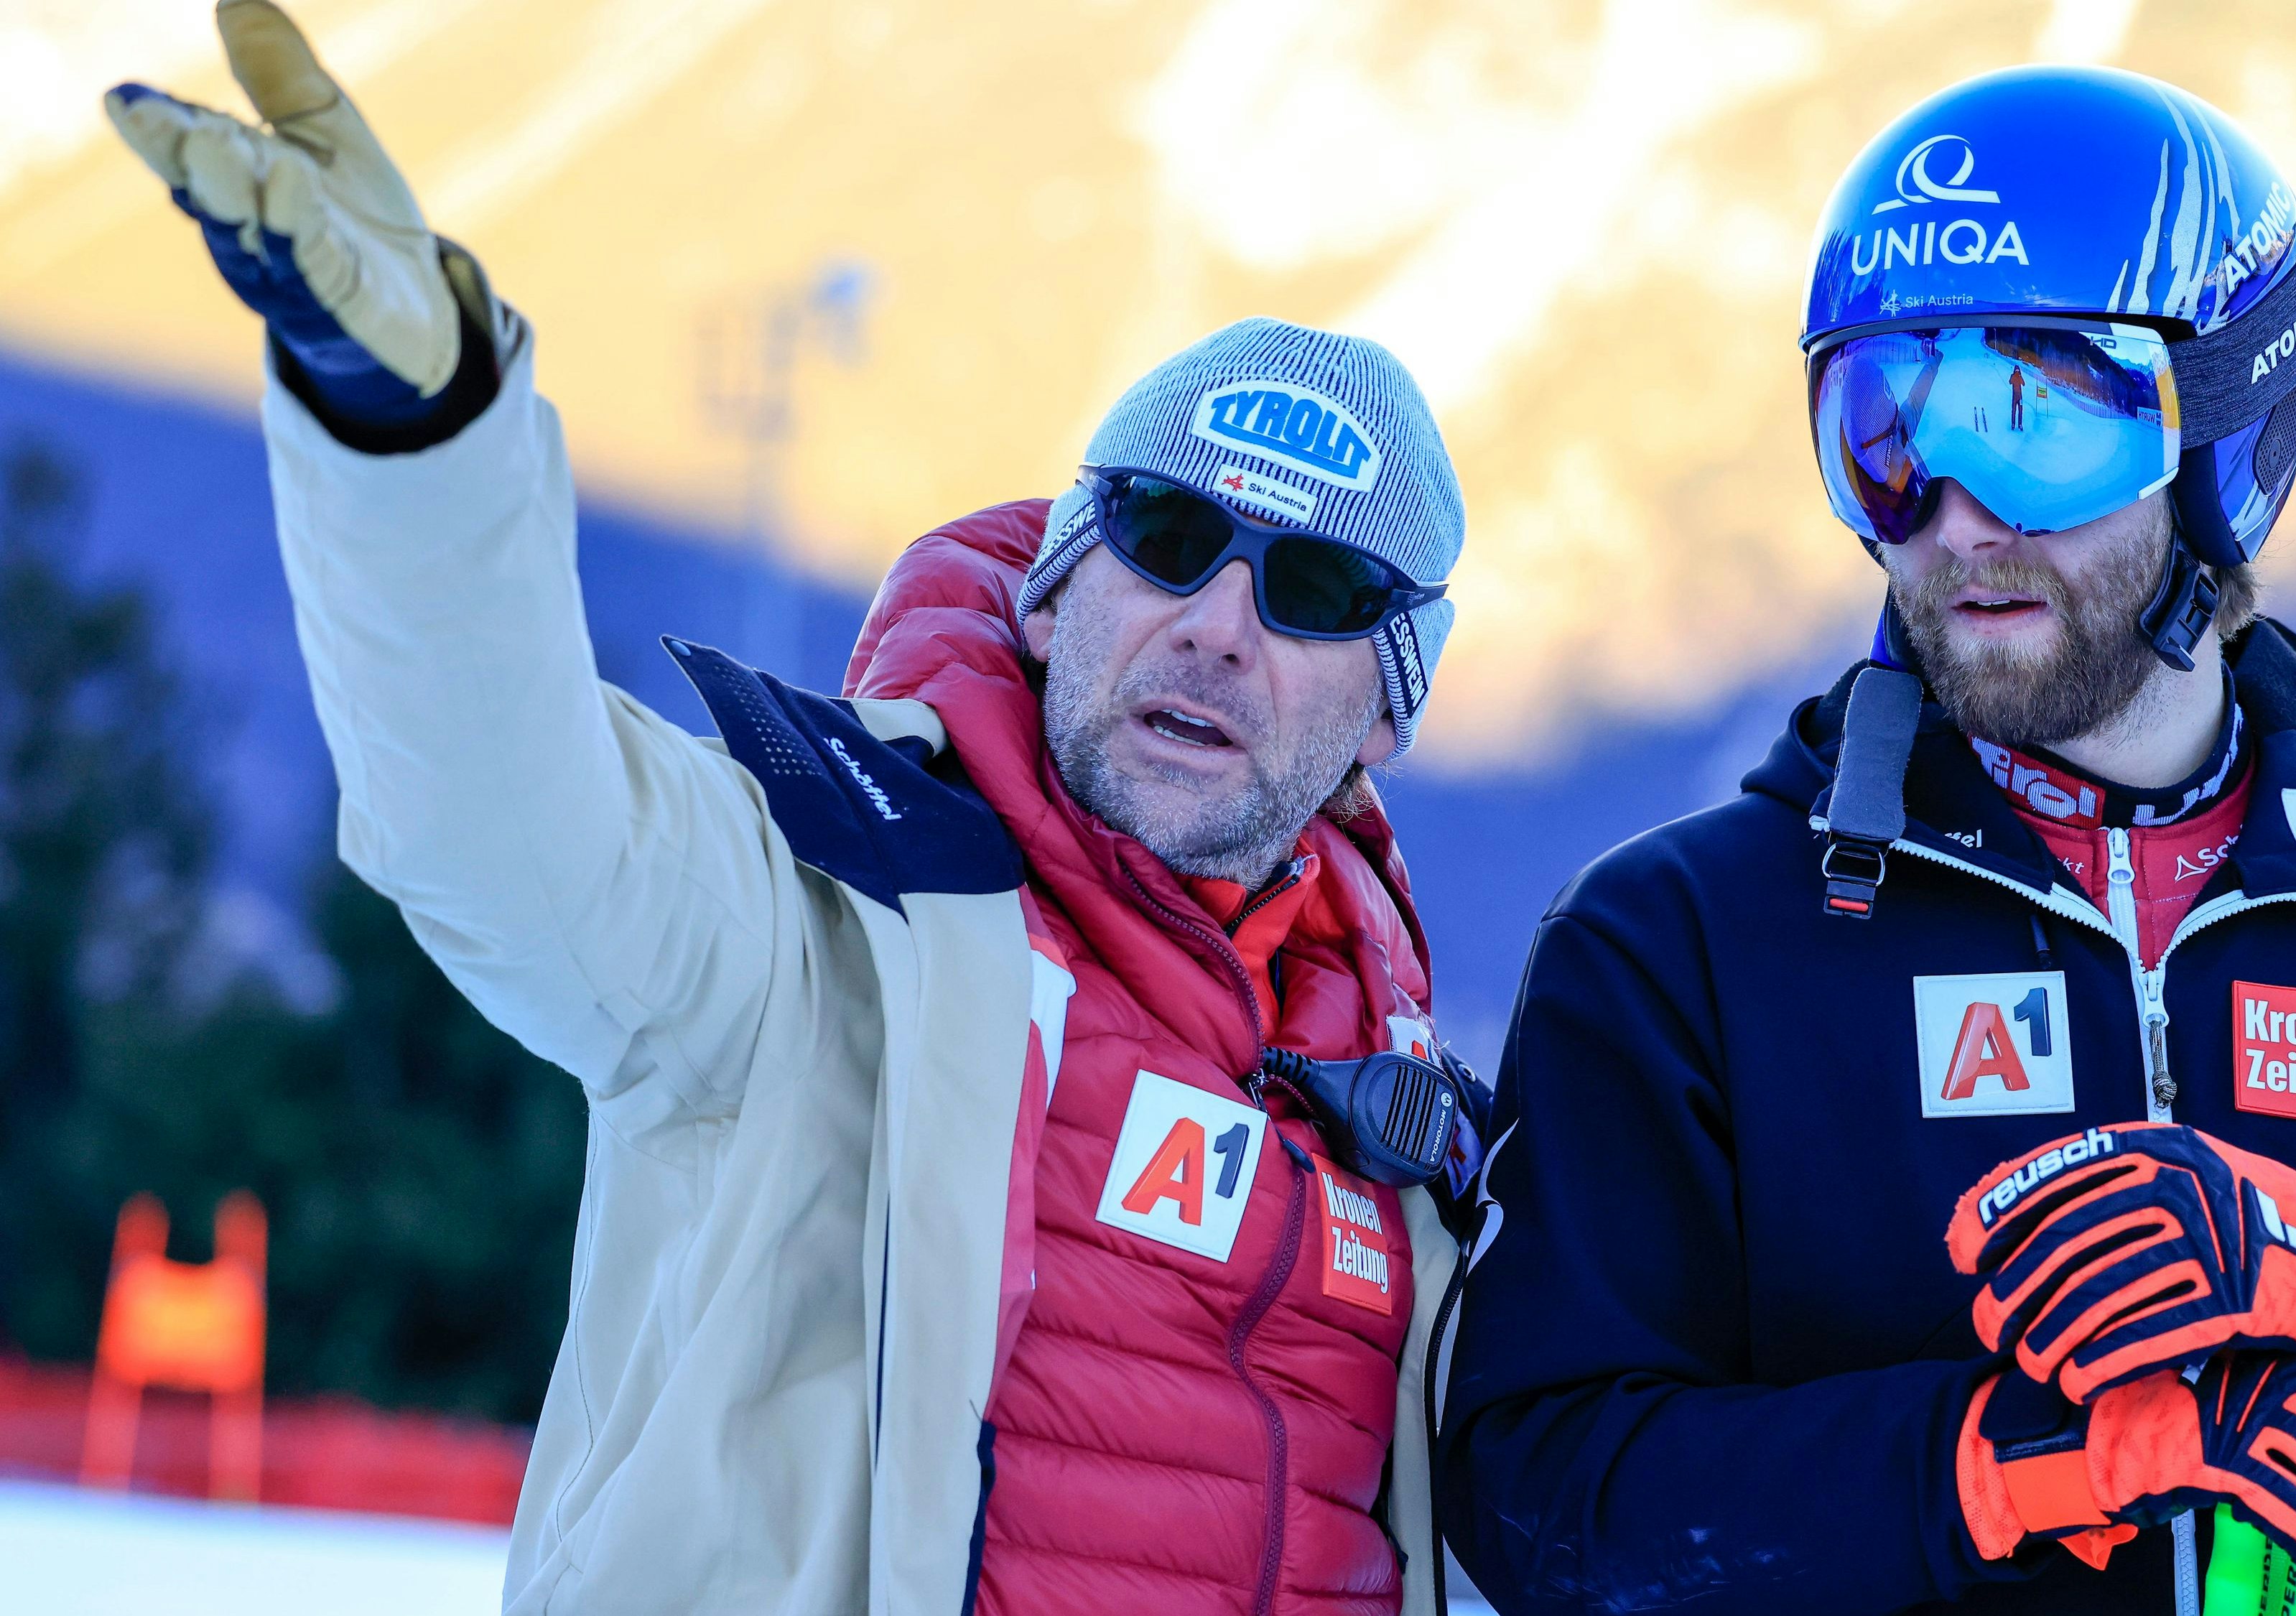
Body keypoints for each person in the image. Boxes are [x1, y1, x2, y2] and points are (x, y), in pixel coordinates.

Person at [105, 6, 1493, 1612]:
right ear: (1052, 591)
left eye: (1312, 590)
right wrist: (413, 437)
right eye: (1168, 538)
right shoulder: (815, 923)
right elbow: (504, 822)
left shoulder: (1422, 1133)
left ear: (1390, 707)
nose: (1217, 623)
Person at [1438, 64, 2296, 1616]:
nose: (1951, 516)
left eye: (2032, 424)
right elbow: (1543, 1509)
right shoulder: (1678, 945)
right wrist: (2021, 1460)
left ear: (2228, 447)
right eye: (1879, 429)